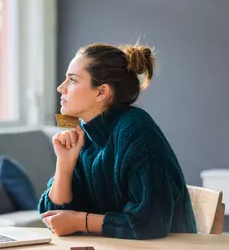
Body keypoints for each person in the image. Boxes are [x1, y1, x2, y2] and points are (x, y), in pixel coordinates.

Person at [38, 43, 197, 240]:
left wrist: (79, 221)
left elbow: (150, 222)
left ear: (101, 92)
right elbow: (54, 217)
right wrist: (64, 164)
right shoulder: (83, 135)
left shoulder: (136, 129)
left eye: (72, 80)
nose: (61, 88)